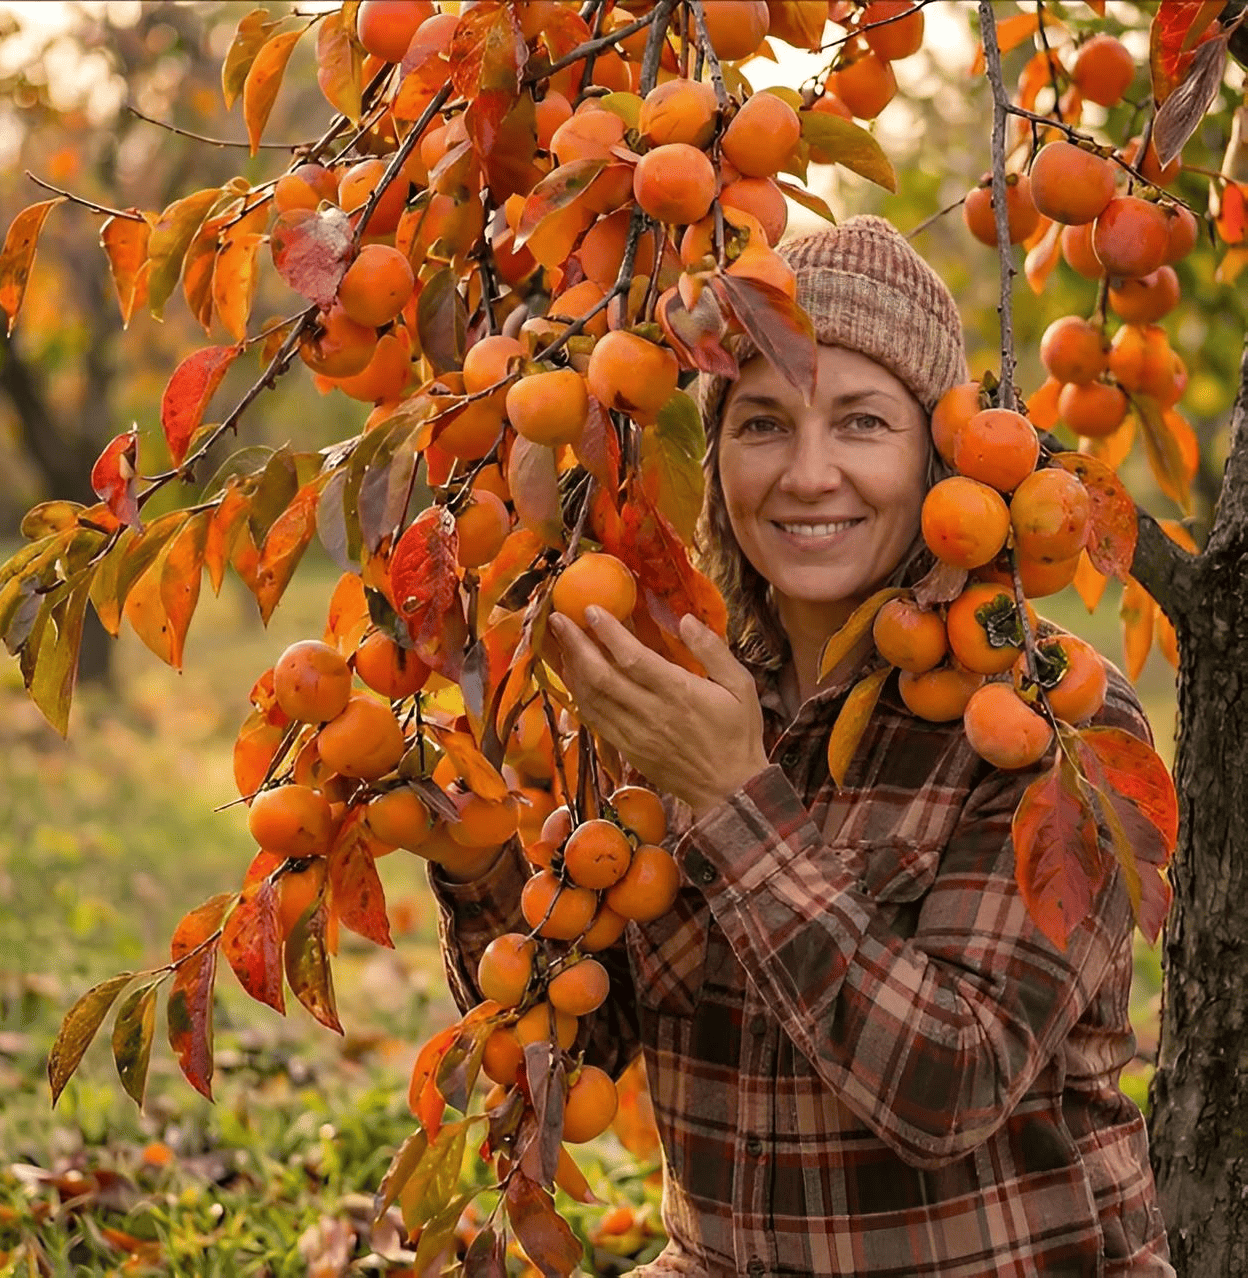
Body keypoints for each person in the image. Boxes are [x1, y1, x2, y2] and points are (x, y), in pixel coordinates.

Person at [427, 216, 1174, 1276]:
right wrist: (474, 860)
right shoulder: (689, 692)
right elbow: (585, 1037)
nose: (807, 474)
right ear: (715, 449)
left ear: (935, 456)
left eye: (861, 422)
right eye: (762, 422)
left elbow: (949, 1088)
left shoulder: (1049, 726)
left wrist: (732, 800)